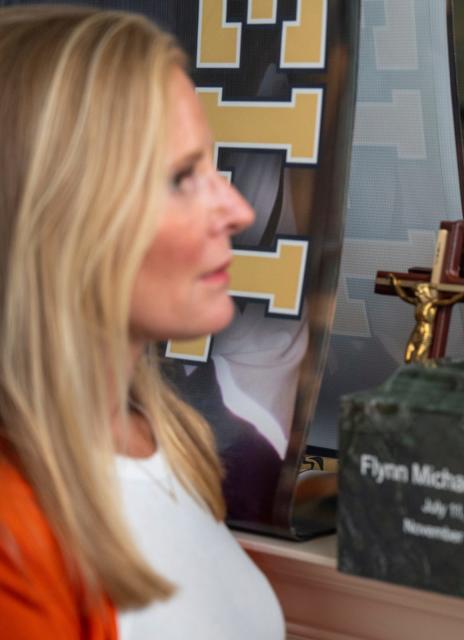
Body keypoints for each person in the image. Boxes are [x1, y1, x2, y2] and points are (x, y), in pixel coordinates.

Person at [0, 6, 283, 639]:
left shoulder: (173, 439)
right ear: (61, 217)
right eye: (183, 177)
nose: (236, 209)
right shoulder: (13, 534)